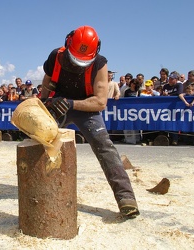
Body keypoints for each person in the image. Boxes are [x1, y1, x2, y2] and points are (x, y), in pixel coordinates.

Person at [41, 25, 139, 218]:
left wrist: (71, 104)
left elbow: (100, 102)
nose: (78, 65)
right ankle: (41, 188)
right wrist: (46, 103)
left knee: (104, 145)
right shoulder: (56, 56)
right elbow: (47, 83)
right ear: (68, 44)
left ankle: (126, 197)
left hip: (86, 106)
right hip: (59, 104)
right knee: (40, 140)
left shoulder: (99, 64)